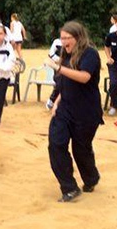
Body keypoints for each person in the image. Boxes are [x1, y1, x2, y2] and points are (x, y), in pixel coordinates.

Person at [44, 21, 103, 202]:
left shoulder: (90, 54)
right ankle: (69, 187)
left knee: (81, 149)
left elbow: (84, 77)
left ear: (77, 37)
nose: (63, 42)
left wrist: (59, 67)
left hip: (86, 112)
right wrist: (56, 102)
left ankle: (91, 178)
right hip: (65, 109)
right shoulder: (65, 54)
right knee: (56, 144)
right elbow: (65, 83)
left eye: (67, 38)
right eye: (61, 38)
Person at [46, 37, 63, 110]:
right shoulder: (57, 42)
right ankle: (51, 100)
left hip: (71, 65)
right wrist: (59, 60)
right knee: (59, 83)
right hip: (58, 66)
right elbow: (51, 53)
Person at [104, 26, 117, 116]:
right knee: (113, 83)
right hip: (114, 64)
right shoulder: (111, 36)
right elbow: (106, 46)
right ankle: (113, 106)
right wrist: (108, 57)